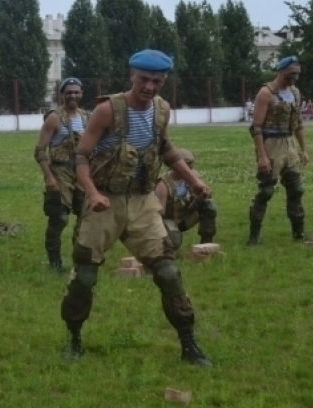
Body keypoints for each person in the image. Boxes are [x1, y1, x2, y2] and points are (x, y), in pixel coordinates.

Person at [61, 49, 213, 367]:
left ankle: (189, 343)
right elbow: (81, 157)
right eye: (144, 79)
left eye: (157, 81)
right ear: (131, 75)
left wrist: (193, 180)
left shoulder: (162, 110)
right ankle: (73, 338)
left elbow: (166, 149)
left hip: (143, 202)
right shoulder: (107, 111)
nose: (149, 86)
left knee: (169, 272)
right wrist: (91, 193)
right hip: (105, 202)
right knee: (85, 274)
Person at [247, 55, 309, 246]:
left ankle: (298, 232)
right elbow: (256, 128)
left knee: (296, 188)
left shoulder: (295, 93)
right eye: (291, 74)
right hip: (271, 143)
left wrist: (303, 149)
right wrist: (262, 156)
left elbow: (298, 123)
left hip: (288, 142)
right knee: (266, 190)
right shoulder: (266, 93)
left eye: (297, 74)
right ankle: (254, 236)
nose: (294, 78)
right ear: (282, 72)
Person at [34, 77, 89, 273]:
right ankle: (54, 261)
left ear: (81, 93)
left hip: (81, 171)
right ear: (62, 94)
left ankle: (80, 259)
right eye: (69, 92)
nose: (73, 95)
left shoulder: (85, 117)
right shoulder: (55, 118)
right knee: (60, 218)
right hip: (60, 171)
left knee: (86, 216)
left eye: (76, 92)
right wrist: (49, 177)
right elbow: (40, 151)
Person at [154, 148, 217, 251]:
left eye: (192, 163)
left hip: (186, 216)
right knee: (174, 240)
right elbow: (158, 215)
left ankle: (206, 245)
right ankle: (164, 250)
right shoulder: (163, 184)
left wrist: (202, 196)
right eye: (188, 163)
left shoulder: (193, 176)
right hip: (169, 221)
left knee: (209, 205)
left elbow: (208, 193)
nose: (191, 167)